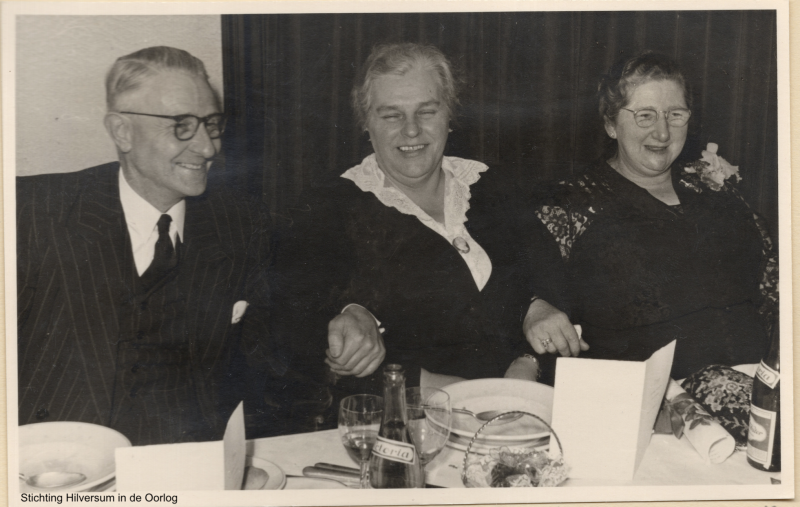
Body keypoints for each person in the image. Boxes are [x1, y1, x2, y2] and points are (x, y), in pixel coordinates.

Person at [272, 43, 576, 428]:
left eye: (427, 111)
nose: (412, 129)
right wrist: (353, 314)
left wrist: (529, 352)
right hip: (409, 424)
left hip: (522, 406)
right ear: (366, 123)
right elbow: (302, 339)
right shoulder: (327, 207)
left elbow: (556, 288)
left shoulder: (492, 186)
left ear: (449, 115)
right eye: (391, 115)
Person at [17, 46, 281, 445]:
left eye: (211, 124)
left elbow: (269, 356)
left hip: (189, 458)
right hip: (57, 460)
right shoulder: (33, 214)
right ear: (122, 131)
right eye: (181, 125)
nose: (208, 148)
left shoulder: (242, 222)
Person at [533, 52, 778, 379]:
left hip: (764, 385)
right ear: (610, 124)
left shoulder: (717, 190)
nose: (663, 133)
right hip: (652, 398)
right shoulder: (568, 205)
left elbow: (775, 288)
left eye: (675, 114)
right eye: (645, 116)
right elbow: (526, 300)